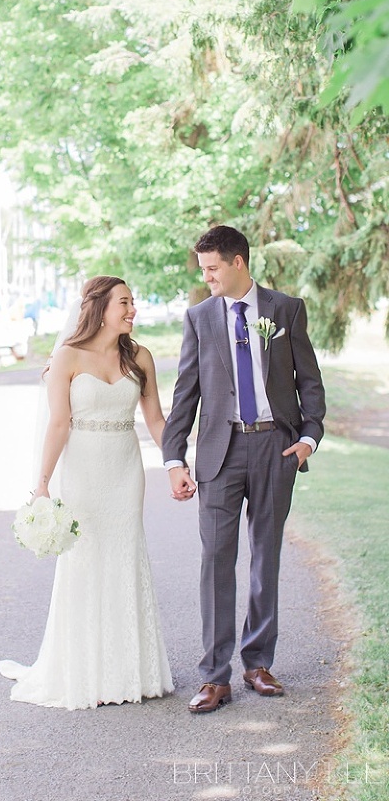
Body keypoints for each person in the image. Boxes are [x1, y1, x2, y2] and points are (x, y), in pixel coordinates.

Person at [162, 225, 326, 714]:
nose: (206, 276)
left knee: (265, 557)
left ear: (238, 263)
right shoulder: (199, 318)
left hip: (276, 448)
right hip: (219, 451)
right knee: (216, 561)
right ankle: (215, 676)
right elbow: (185, 392)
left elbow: (309, 382)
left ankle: (257, 663)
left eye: (212, 268)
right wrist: (175, 458)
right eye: (203, 269)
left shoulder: (286, 310)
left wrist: (307, 440)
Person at [0, 275, 173, 710]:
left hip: (125, 469)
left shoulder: (141, 357)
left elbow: (155, 420)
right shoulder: (67, 357)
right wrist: (41, 483)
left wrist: (177, 464)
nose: (132, 310)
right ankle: (83, 671)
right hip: (83, 471)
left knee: (125, 556)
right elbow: (59, 422)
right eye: (124, 303)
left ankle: (132, 671)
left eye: (133, 302)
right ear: (98, 307)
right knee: (85, 562)